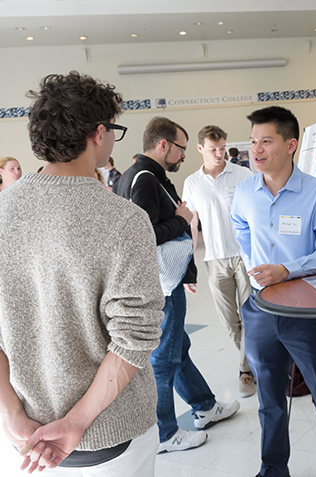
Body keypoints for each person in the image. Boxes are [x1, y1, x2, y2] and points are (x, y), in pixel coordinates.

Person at [0, 71, 164, 475]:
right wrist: (75, 423)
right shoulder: (124, 220)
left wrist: (12, 415)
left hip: (25, 437)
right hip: (111, 434)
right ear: (98, 132)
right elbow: (133, 336)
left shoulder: (3, 212)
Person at [231, 106, 316, 477]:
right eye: (253, 141)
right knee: (270, 401)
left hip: (306, 311)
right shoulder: (244, 192)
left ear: (291, 145)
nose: (256, 149)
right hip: (259, 310)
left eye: (266, 141)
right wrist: (257, 266)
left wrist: (286, 270)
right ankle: (272, 471)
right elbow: (241, 228)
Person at [114, 117, 239, 454]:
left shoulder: (141, 176)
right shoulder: (144, 180)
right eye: (182, 148)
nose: (184, 155)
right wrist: (181, 220)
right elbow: (144, 236)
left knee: (177, 348)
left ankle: (205, 405)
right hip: (161, 286)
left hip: (165, 282)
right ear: (163, 145)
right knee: (164, 359)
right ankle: (166, 434)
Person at [183, 125, 256, 398]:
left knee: (250, 316)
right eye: (213, 149)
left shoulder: (242, 175)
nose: (219, 153)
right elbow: (191, 225)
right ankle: (252, 360)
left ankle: (245, 372)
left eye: (222, 148)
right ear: (200, 148)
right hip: (214, 259)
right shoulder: (192, 183)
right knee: (230, 322)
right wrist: (188, 266)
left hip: (245, 257)